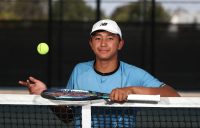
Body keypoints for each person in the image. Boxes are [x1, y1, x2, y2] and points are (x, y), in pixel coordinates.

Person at [19, 19, 180, 127]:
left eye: (110, 38)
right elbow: (68, 116)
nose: (103, 43)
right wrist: (45, 94)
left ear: (120, 44)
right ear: (91, 43)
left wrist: (131, 90)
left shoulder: (134, 74)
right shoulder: (79, 70)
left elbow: (173, 94)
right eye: (98, 38)